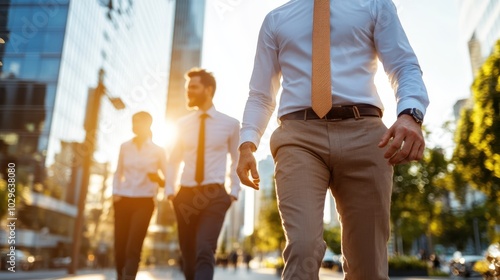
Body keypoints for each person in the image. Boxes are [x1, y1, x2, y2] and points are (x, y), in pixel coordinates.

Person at [236, 1, 429, 279]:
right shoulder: (276, 19)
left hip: (365, 134)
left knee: (369, 264)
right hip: (298, 137)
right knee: (302, 247)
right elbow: (260, 94)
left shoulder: (374, 5)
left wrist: (410, 114)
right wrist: (247, 143)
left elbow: (403, 66)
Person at [165, 68, 240, 280]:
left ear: (208, 90)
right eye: (187, 87)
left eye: (193, 87)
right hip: (185, 195)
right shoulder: (182, 125)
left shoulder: (230, 124)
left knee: (204, 249)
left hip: (214, 194)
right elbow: (173, 160)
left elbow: (236, 160)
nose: (188, 91)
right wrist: (170, 191)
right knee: (188, 253)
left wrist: (233, 191)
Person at [112, 111, 167, 280]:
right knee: (120, 246)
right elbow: (117, 172)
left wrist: (158, 178)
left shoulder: (158, 151)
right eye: (133, 121)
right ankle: (120, 276)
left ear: (148, 125)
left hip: (145, 201)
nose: (134, 125)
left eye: (138, 122)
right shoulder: (124, 146)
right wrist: (115, 194)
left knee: (133, 245)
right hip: (123, 199)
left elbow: (168, 179)